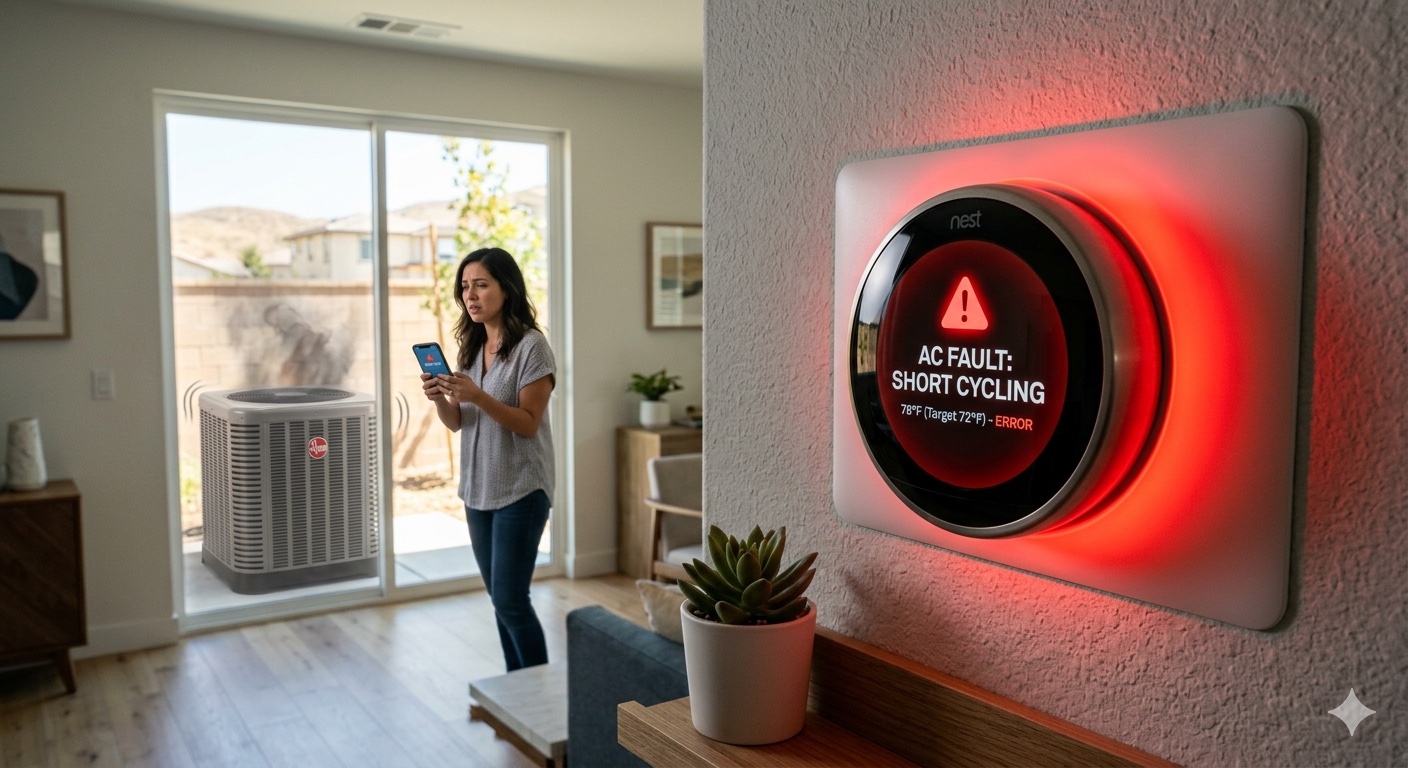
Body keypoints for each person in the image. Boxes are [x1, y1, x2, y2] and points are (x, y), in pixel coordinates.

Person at [422, 247, 555, 671]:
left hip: (521, 487)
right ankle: (517, 689)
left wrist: (478, 395)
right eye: (465, 287)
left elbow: (528, 423)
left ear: (507, 288)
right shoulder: (471, 347)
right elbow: (459, 422)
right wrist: (442, 399)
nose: (471, 295)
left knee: (512, 600)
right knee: (501, 599)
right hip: (477, 489)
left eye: (481, 284)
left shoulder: (533, 348)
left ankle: (538, 696)